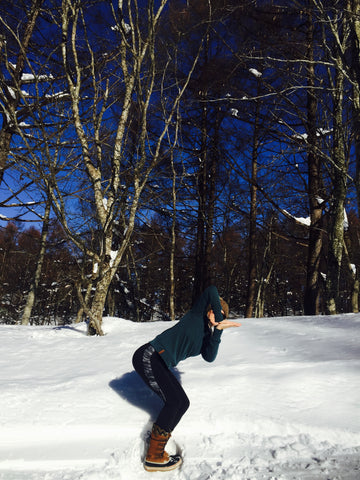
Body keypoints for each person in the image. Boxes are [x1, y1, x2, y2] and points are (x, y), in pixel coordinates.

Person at [132, 285, 240, 472]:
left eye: (222, 313)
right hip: (149, 355)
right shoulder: (196, 315)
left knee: (183, 403)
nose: (218, 314)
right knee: (173, 402)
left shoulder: (208, 335)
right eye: (216, 311)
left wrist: (219, 330)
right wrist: (216, 310)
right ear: (209, 310)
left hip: (161, 363)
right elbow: (211, 290)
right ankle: (154, 456)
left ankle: (157, 447)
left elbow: (209, 357)